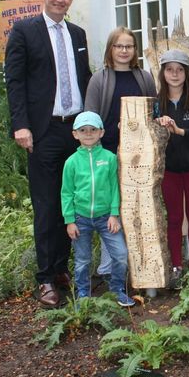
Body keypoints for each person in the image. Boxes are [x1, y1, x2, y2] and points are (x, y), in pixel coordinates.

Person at [5, 0, 92, 308]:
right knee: (46, 206)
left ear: (71, 0)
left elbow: (84, 80)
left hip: (75, 131)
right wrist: (21, 125)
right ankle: (45, 279)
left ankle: (61, 269)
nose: (60, 0)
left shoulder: (78, 35)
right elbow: (14, 81)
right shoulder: (25, 31)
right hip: (42, 131)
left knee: (72, 202)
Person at [84, 27, 155, 279]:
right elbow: (89, 118)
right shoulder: (99, 79)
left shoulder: (144, 78)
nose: (124, 51)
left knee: (138, 209)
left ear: (135, 50)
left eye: (129, 46)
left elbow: (152, 115)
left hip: (139, 157)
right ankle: (108, 268)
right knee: (110, 210)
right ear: (110, 49)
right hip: (108, 155)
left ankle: (139, 266)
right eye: (119, 46)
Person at [61, 112, 135, 307]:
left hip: (106, 218)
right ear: (75, 134)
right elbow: (66, 193)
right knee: (82, 261)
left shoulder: (110, 158)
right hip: (80, 219)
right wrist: (69, 220)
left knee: (120, 255)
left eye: (93, 129)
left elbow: (114, 188)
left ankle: (117, 289)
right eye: (83, 130)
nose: (88, 134)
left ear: (101, 132)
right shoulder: (71, 163)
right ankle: (83, 295)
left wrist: (114, 214)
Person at [154, 49, 189, 289]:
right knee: (175, 218)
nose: (174, 74)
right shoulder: (156, 103)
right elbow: (147, 136)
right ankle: (177, 265)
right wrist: (157, 126)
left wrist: (180, 131)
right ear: (163, 73)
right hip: (169, 170)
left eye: (179, 70)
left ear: (186, 73)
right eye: (169, 69)